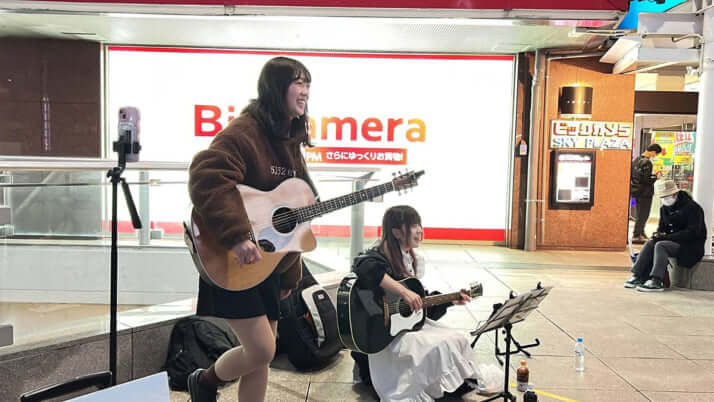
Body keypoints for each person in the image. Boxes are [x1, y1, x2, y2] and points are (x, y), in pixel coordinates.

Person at [186, 56, 316, 402]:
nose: (305, 91)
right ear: (276, 88)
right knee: (261, 350)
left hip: (266, 262)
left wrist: (290, 274)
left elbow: (290, 217)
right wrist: (237, 236)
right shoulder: (245, 132)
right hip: (231, 257)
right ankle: (205, 381)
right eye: (298, 82)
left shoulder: (288, 138)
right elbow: (207, 176)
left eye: (308, 84)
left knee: (261, 358)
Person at [350, 205, 478, 401]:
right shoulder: (378, 254)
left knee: (457, 339)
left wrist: (449, 300)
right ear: (396, 232)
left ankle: (442, 388)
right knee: (440, 346)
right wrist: (403, 291)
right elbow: (364, 267)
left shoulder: (410, 259)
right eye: (413, 226)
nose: (420, 231)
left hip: (405, 328)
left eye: (420, 225)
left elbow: (419, 308)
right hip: (386, 338)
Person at [625, 180, 708, 292]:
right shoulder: (664, 209)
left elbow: (692, 232)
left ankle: (657, 280)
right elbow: (662, 228)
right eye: (662, 197)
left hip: (689, 246)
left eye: (666, 197)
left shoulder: (693, 208)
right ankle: (637, 275)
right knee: (651, 243)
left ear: (675, 194)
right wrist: (659, 234)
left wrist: (668, 237)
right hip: (673, 241)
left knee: (661, 245)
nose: (664, 200)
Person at [630, 143, 663, 243]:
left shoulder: (636, 160)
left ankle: (641, 232)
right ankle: (637, 235)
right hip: (645, 193)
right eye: (656, 154)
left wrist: (651, 176)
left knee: (639, 213)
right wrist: (655, 177)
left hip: (636, 191)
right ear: (653, 152)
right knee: (643, 214)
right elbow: (646, 180)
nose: (655, 156)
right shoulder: (647, 162)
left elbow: (638, 176)